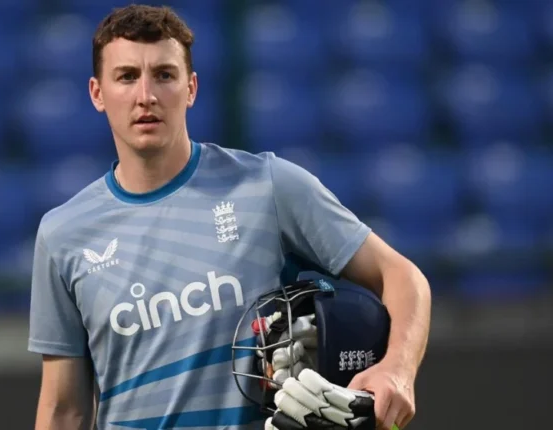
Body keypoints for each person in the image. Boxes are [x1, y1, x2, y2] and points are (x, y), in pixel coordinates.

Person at [28, 4, 431, 430]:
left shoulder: (269, 186)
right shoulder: (63, 234)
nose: (146, 95)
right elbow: (64, 410)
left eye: (164, 75)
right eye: (127, 76)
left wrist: (397, 369)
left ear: (191, 88)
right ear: (97, 93)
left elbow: (401, 276)